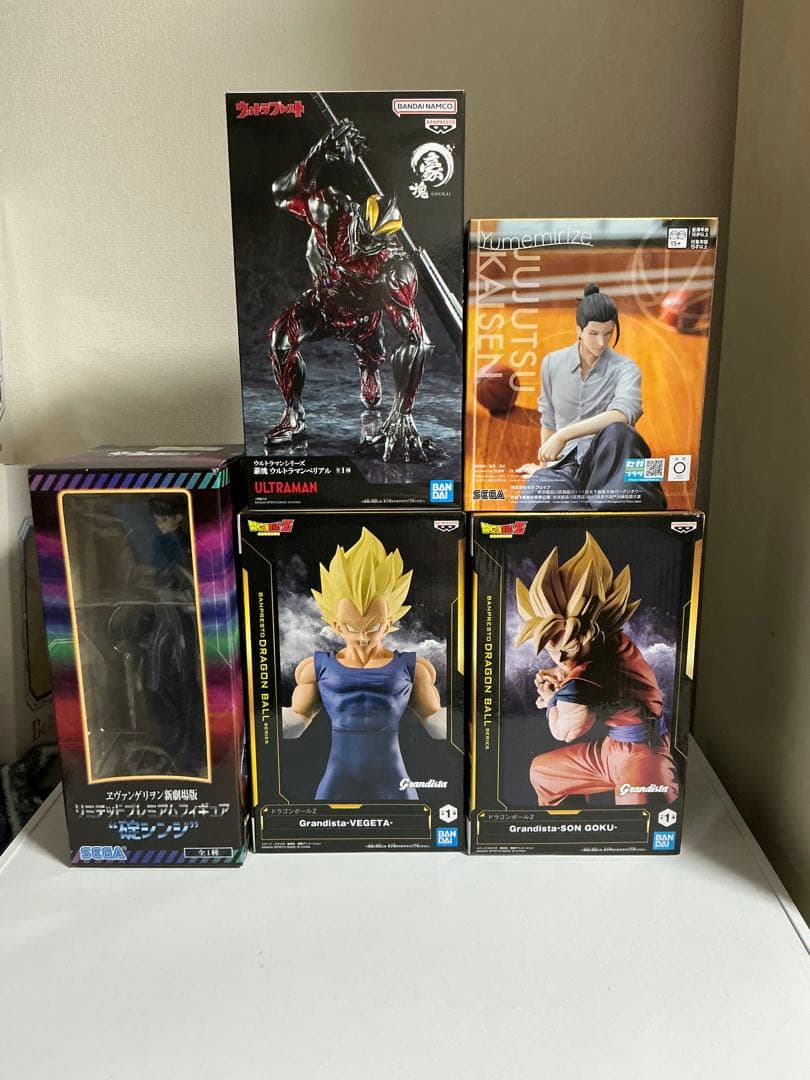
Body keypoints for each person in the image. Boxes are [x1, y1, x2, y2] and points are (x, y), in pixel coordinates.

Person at [264, 119, 433, 462]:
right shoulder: (333, 212)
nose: (363, 247)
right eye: (362, 236)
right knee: (280, 338)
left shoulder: (394, 268)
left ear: (387, 240)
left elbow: (417, 341)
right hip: (321, 305)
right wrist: (317, 155)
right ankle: (294, 417)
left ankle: (368, 368)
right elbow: (280, 193)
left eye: (374, 243)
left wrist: (403, 411)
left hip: (362, 322)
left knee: (373, 354)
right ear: (359, 218)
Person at [515, 533, 678, 807]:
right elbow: (593, 675)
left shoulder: (584, 678)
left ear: (588, 634)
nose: (559, 656)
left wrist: (554, 698)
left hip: (645, 758)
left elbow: (565, 731)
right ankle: (569, 826)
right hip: (612, 750)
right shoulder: (612, 641)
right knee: (544, 773)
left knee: (636, 824)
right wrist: (563, 678)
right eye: (552, 649)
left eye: (566, 647)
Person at [284, 527, 445, 800]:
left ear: (390, 623)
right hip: (339, 774)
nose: (361, 636)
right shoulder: (315, 668)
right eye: (350, 626)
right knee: (325, 825)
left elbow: (435, 722)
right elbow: (296, 722)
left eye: (372, 627)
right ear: (336, 625)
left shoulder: (413, 669)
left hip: (392, 775)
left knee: (409, 825)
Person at [516, 284, 666, 510]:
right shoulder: (552, 363)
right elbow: (549, 419)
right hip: (565, 467)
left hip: (610, 465)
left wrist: (564, 434)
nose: (601, 342)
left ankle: (609, 510)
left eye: (608, 333)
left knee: (620, 432)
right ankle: (589, 514)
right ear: (579, 330)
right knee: (540, 503)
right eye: (594, 334)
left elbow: (622, 415)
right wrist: (544, 466)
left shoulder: (626, 368)